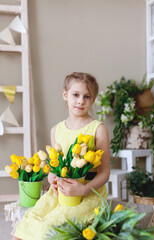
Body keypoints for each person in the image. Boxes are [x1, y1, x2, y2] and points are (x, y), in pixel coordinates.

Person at [13, 72, 110, 240]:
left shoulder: (97, 129)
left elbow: (105, 172)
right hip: (60, 192)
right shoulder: (56, 130)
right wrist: (52, 177)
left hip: (88, 192)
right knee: (29, 220)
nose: (81, 101)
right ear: (65, 94)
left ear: (93, 100)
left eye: (87, 96)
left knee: (49, 227)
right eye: (76, 95)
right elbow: (55, 166)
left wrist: (84, 189)